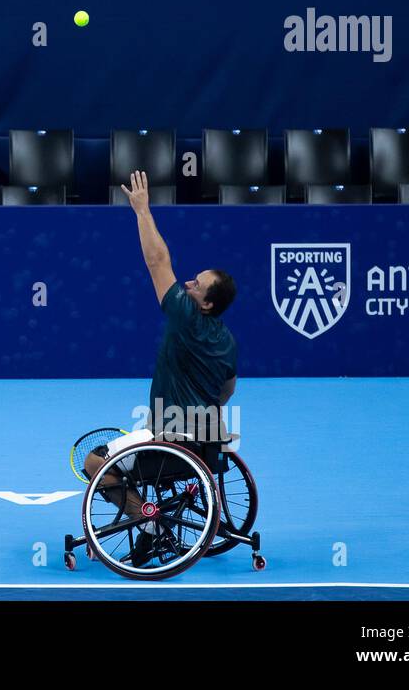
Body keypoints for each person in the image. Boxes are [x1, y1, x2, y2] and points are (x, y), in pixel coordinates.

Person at [84, 170, 238, 563]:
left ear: (205, 304)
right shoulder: (226, 341)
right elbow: (227, 391)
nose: (188, 284)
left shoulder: (187, 317)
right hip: (204, 445)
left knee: (94, 462)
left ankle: (151, 525)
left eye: (196, 285)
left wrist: (141, 211)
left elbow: (157, 261)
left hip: (169, 443)